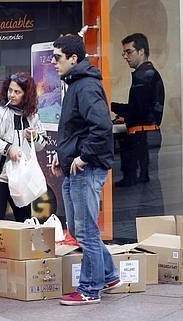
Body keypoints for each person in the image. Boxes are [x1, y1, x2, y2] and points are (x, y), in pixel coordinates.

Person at [49, 35, 122, 306]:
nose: (53, 63)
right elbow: (76, 129)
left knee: (86, 230)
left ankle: (90, 289)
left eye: (58, 58)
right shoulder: (76, 84)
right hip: (75, 168)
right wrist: (63, 157)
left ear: (73, 59)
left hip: (86, 169)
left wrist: (83, 157)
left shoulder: (86, 86)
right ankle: (109, 275)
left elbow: (101, 128)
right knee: (79, 230)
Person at [0, 73, 47, 222]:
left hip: (21, 176)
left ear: (26, 94)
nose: (12, 95)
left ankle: (21, 246)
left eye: (17, 92)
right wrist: (8, 148)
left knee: (25, 220)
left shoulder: (32, 116)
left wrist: (33, 136)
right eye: (10, 90)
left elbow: (42, 144)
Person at [111, 33, 165, 187]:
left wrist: (112, 106)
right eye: (124, 53)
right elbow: (142, 108)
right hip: (146, 133)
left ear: (141, 52)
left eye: (129, 52)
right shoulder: (148, 74)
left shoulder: (144, 76)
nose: (126, 57)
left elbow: (138, 110)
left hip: (143, 134)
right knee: (145, 182)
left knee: (144, 186)